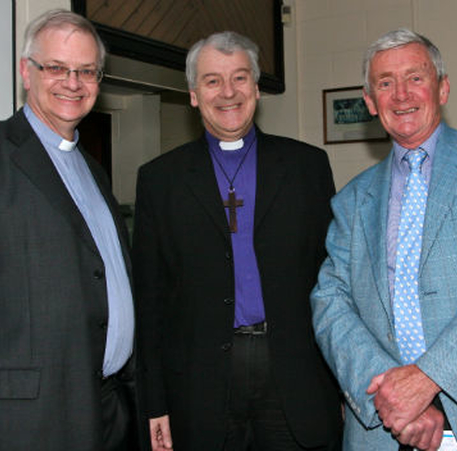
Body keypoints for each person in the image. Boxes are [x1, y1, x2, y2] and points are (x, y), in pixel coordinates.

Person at [0, 9, 140, 450]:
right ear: (25, 72)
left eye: (87, 71)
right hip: (26, 427)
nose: (73, 82)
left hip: (108, 415)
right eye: (56, 67)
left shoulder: (93, 171)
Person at [311, 28, 457, 451]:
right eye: (385, 83)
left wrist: (429, 377)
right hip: (385, 426)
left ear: (442, 88)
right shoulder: (351, 200)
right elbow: (330, 302)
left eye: (415, 77)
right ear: (370, 102)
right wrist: (393, 395)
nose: (401, 95)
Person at [132, 31, 343, 451]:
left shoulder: (307, 167)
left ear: (257, 88)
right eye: (212, 81)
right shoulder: (160, 180)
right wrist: (153, 403)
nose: (228, 92)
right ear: (194, 94)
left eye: (240, 78)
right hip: (200, 387)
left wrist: (342, 387)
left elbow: (334, 280)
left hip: (296, 378)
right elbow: (149, 301)